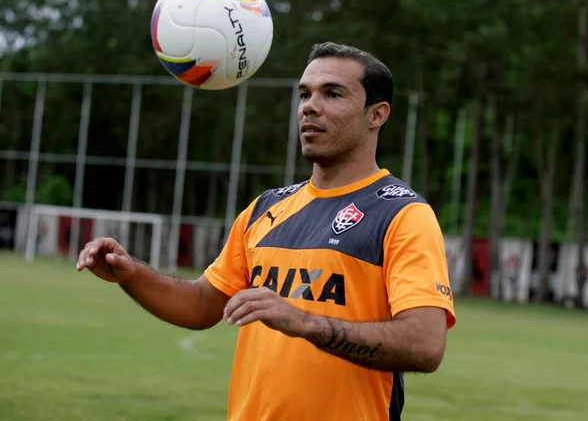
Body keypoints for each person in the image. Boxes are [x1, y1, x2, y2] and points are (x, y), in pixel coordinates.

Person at [76, 42, 456, 420]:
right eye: (304, 94)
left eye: (332, 93)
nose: (310, 105)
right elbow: (201, 304)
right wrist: (132, 274)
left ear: (377, 115)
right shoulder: (267, 208)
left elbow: (424, 344)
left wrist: (305, 323)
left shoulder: (401, 213)